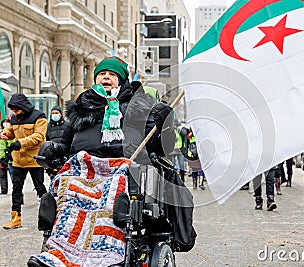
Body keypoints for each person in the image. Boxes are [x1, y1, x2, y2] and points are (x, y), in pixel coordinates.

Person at [27, 57, 176, 267]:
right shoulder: (81, 108)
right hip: (83, 170)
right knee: (69, 189)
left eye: (112, 74)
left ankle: (108, 253)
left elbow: (161, 147)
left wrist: (164, 125)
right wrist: (53, 150)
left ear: (121, 81)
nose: (106, 77)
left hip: (121, 170)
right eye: (102, 74)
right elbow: (66, 145)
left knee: (112, 192)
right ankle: (58, 254)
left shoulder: (138, 107)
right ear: (96, 78)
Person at [0, 93, 48, 229]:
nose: (14, 112)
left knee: (40, 188)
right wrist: (4, 134)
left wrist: (19, 143)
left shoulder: (39, 117)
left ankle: (49, 214)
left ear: (23, 107)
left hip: (34, 160)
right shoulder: (15, 118)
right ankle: (16, 218)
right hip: (18, 161)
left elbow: (39, 136)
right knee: (16, 190)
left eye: (16, 109)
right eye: (12, 110)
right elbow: (10, 131)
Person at [169, 119, 188, 183]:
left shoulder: (180, 128)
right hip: (172, 150)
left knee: (181, 165)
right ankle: (175, 179)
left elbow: (184, 133)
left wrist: (177, 128)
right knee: (173, 165)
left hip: (179, 150)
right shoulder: (170, 129)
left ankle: (182, 179)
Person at [0, 119, 13, 194]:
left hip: (12, 158)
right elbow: (2, 146)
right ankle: (4, 190)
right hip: (6, 158)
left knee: (15, 179)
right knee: (2, 175)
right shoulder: (3, 133)